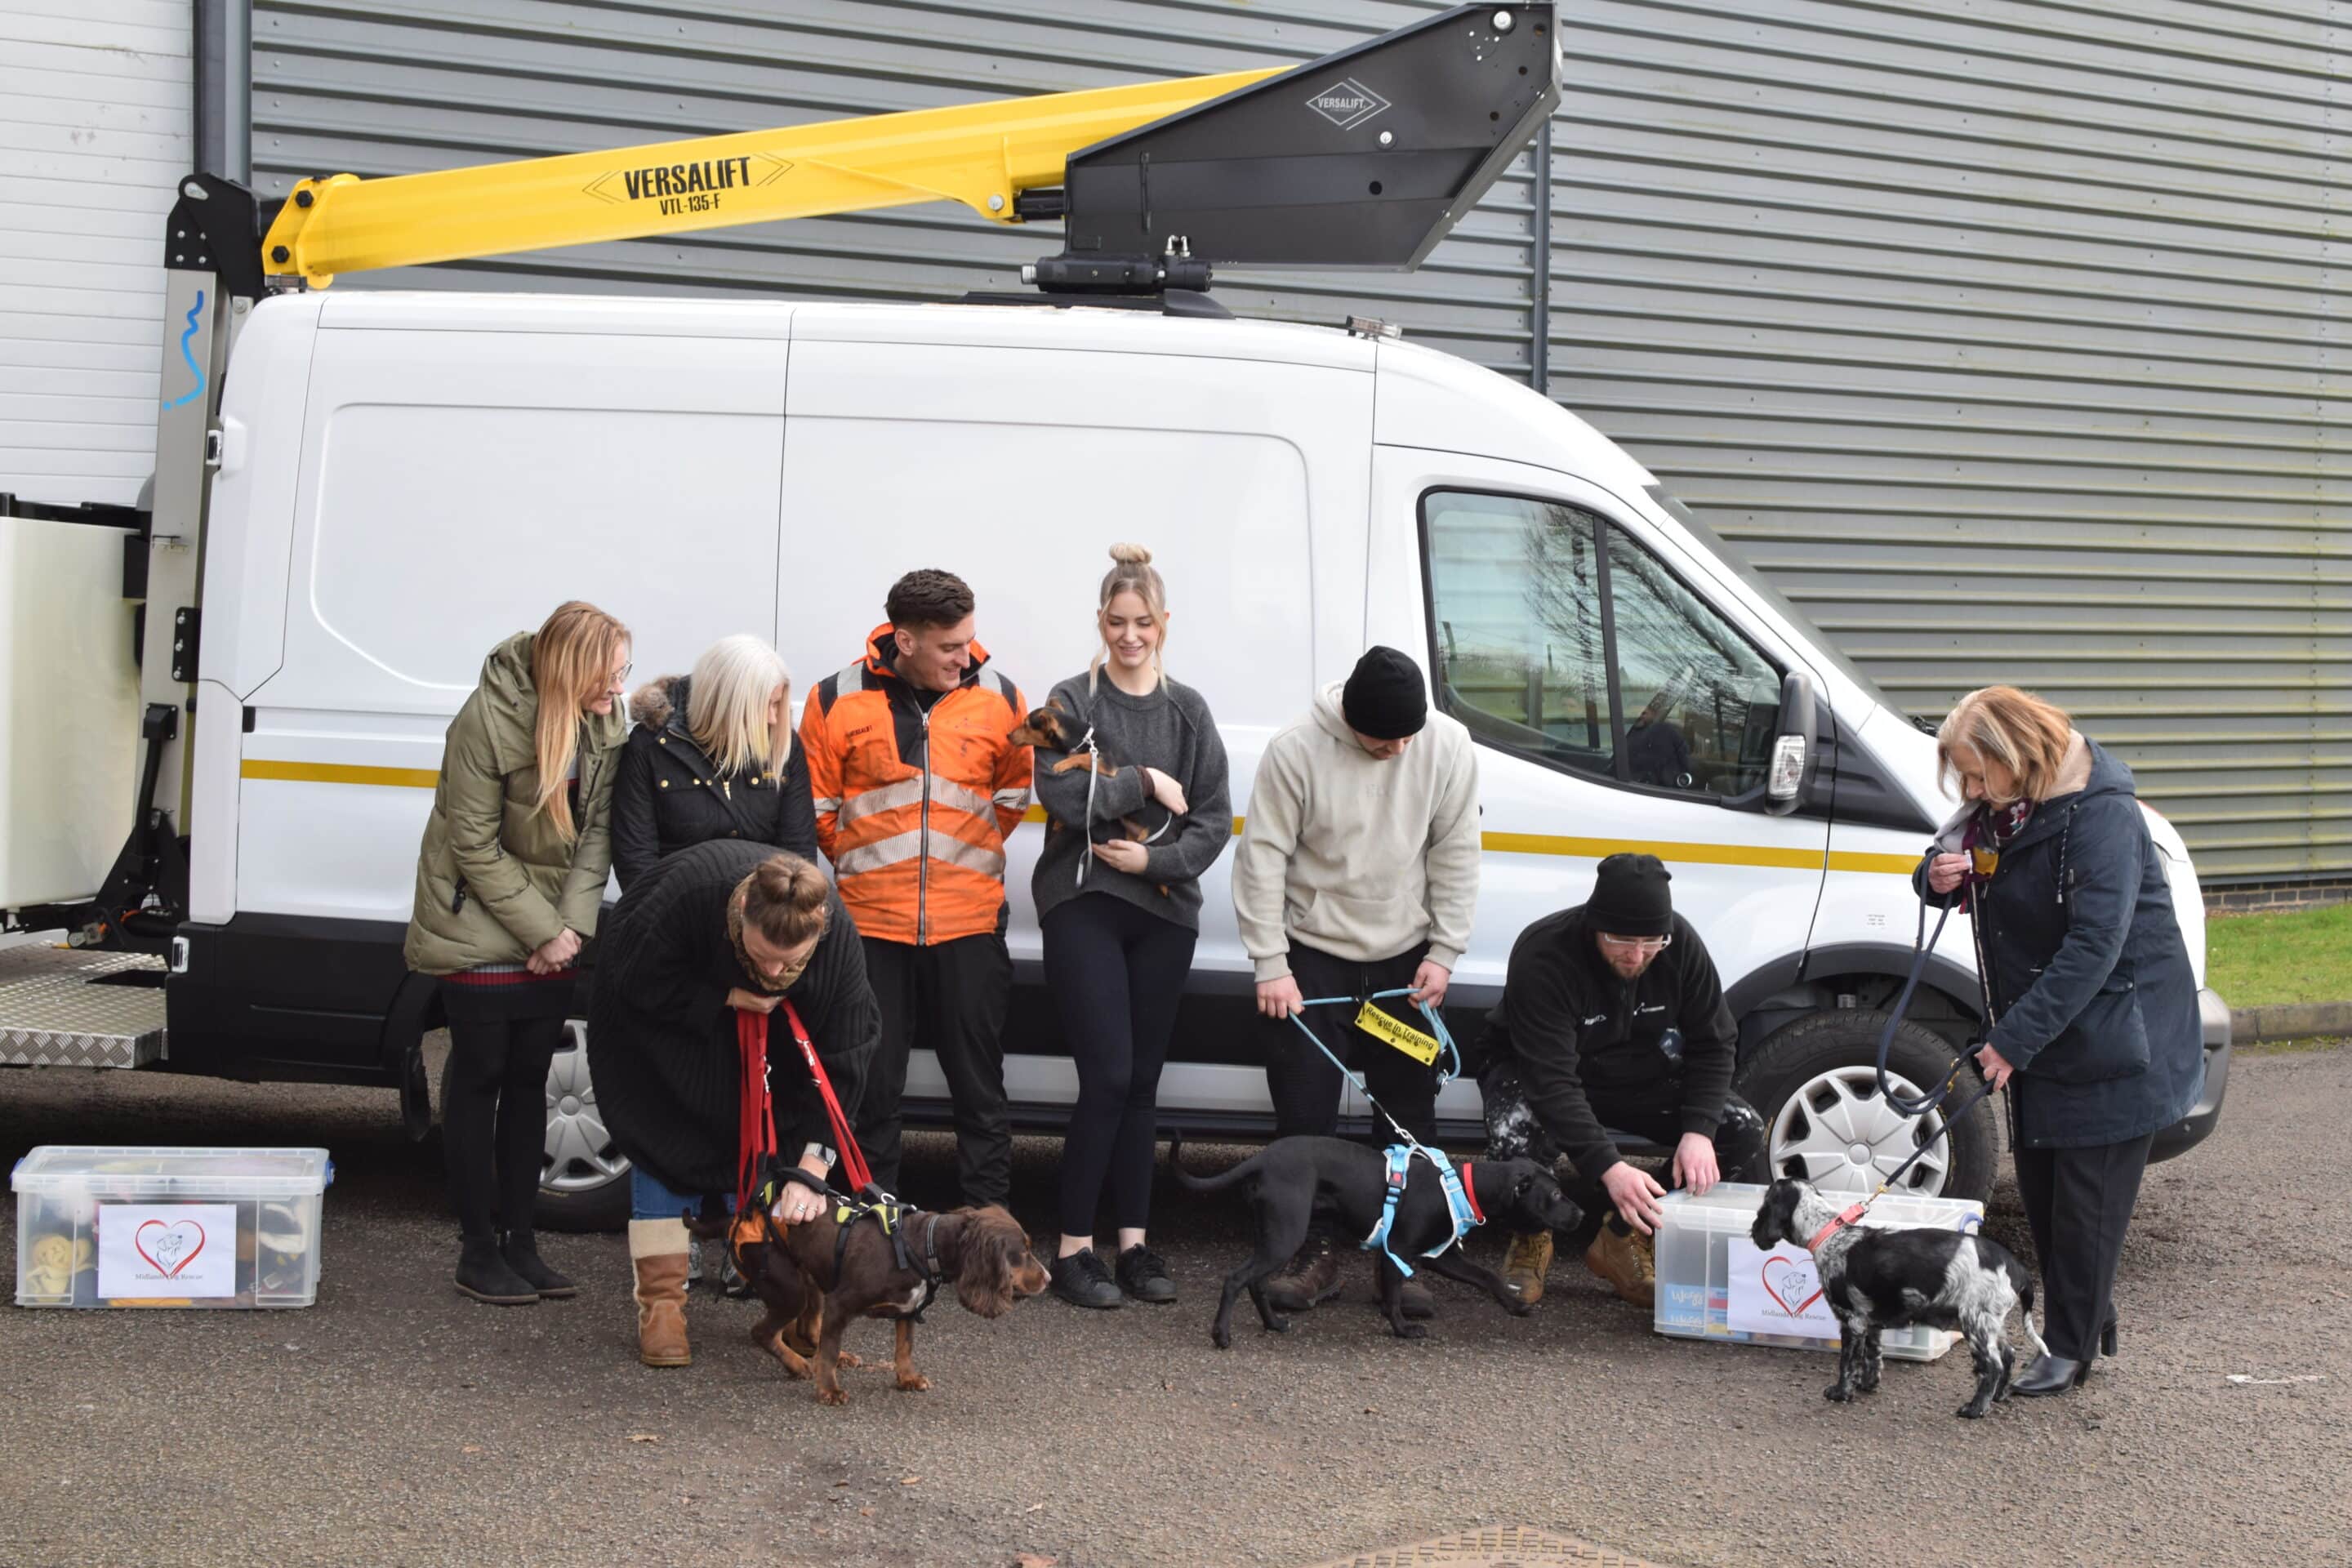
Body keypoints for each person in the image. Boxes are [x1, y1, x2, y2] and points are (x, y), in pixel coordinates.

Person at [1921, 685, 2203, 1396]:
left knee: (2086, 1201)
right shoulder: (2008, 810)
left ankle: (2073, 1349)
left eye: (1982, 774)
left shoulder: (2101, 815)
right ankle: (2087, 1314)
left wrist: (2010, 1041)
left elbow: (2094, 946)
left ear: (2019, 754)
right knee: (2045, 1188)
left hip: (2115, 1033)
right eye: (1966, 780)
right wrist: (1935, 876)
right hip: (2050, 1025)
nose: (1974, 792)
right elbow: (1959, 852)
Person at [1232, 644, 1480, 1318]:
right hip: (1312, 959)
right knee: (1304, 1121)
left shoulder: (1448, 747)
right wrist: (1270, 963)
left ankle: (1402, 1263)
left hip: (1404, 960)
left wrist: (1445, 950)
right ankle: (1309, 1256)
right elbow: (1263, 859)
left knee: (1410, 1121)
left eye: (1409, 736)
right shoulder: (1295, 751)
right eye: (1383, 738)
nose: (1398, 749)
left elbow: (1456, 850)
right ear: (1349, 718)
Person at [403, 600, 630, 1306]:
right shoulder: (486, 719)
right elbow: (470, 843)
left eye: (623, 674)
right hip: (478, 923)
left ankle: (522, 1246)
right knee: (480, 1078)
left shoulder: (603, 724)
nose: (618, 690)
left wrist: (569, 930)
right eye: (608, 675)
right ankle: (477, 1250)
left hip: (551, 932)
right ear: (570, 671)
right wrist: (542, 931)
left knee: (532, 1077)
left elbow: (597, 838)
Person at [1029, 544, 1232, 1310]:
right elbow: (1060, 797)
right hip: (1082, 904)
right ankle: (1075, 1249)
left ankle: (1135, 1244)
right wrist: (1142, 781)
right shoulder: (1070, 700)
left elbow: (1211, 818)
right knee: (1108, 1074)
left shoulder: (1190, 710)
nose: (1129, 636)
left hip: (1165, 909)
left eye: (1142, 622)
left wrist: (1155, 865)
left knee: (1144, 1081)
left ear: (1164, 622)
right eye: (1116, 622)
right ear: (1101, 622)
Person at [585, 844, 879, 1368]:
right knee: (665, 1148)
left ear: (820, 929)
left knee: (787, 1166)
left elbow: (848, 1056)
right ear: (741, 913)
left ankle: (801, 1311)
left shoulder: (841, 945)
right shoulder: (686, 895)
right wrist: (720, 997)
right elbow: (631, 980)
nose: (771, 971)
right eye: (761, 955)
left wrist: (814, 1165)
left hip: (777, 1063)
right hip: (670, 1044)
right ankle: (662, 1308)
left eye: (789, 962)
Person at [800, 568, 1031, 1207]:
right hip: (870, 929)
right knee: (873, 1089)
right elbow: (816, 808)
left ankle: (988, 1225)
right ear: (904, 640)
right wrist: (873, 867)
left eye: (969, 642)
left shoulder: (1000, 697)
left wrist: (960, 862)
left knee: (980, 1091)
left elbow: (1012, 795)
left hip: (971, 925)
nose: (967, 658)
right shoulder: (834, 699)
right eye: (950, 647)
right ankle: (874, 1228)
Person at [1475, 852, 1769, 1309]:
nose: (1636, 956)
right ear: (1595, 926)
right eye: (1621, 941)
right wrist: (1609, 1168)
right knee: (1516, 1130)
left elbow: (1716, 1043)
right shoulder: (1545, 952)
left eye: (1651, 942)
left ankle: (1625, 1233)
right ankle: (1532, 1235)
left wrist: (1699, 1130)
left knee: (1740, 1128)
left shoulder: (1681, 946)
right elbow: (1551, 1080)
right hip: (1540, 1072)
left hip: (1637, 1072)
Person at [611, 634, 815, 890]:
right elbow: (635, 859)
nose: (774, 719)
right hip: (670, 913)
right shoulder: (651, 746)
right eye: (766, 705)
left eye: (777, 705)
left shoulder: (783, 745)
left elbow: (798, 855)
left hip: (760, 917)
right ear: (728, 704)